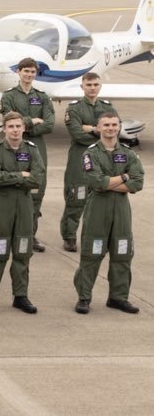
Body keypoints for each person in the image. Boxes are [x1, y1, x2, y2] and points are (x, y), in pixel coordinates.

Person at [73, 112, 142, 315]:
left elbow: (137, 183)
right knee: (91, 254)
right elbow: (95, 182)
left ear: (119, 127)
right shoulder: (91, 153)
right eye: (106, 125)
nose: (111, 128)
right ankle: (84, 298)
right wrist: (124, 177)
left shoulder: (128, 153)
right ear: (99, 127)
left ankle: (118, 298)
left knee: (122, 254)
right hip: (98, 209)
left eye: (114, 124)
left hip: (121, 210)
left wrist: (108, 183)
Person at [0, 112, 44, 314]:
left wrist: (13, 178)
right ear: (5, 129)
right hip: (2, 205)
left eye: (18, 126)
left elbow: (36, 179)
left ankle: (20, 295)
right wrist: (21, 176)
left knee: (23, 250)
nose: (15, 130)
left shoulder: (32, 150)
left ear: (24, 128)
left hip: (25, 206)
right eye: (11, 127)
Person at [0, 58, 55, 252]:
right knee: (13, 187)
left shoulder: (43, 96)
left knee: (36, 189)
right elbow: (9, 119)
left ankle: (30, 235)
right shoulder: (9, 96)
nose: (29, 75)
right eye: (26, 71)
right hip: (14, 145)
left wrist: (23, 123)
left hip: (37, 145)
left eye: (32, 72)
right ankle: (10, 233)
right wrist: (32, 121)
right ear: (19, 72)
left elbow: (49, 124)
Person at [60, 72, 116, 252]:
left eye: (95, 85)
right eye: (89, 84)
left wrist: (89, 129)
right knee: (77, 196)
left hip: (102, 158)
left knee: (101, 197)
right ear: (82, 86)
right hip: (80, 156)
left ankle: (96, 235)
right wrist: (98, 130)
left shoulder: (108, 108)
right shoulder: (74, 108)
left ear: (100, 86)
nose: (92, 88)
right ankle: (69, 236)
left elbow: (113, 132)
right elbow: (77, 134)